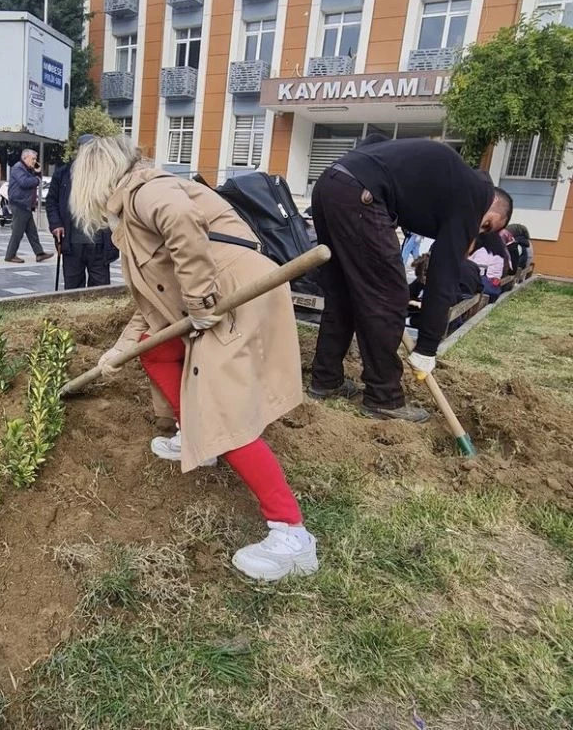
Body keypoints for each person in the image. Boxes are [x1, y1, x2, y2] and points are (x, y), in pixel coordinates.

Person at [70, 135, 318, 582]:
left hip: (236, 295)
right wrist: (119, 350)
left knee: (225, 409)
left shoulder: (145, 190)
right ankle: (194, 439)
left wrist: (202, 300)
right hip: (224, 292)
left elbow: (180, 218)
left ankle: (291, 537)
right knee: (160, 349)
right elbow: (150, 310)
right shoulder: (133, 210)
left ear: (94, 180)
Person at [308, 138, 513, 422]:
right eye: (487, 224)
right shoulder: (475, 196)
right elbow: (444, 274)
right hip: (360, 193)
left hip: (330, 185)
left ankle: (325, 380)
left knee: (343, 292)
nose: (478, 231)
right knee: (390, 296)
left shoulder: (448, 181)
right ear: (492, 203)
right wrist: (428, 347)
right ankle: (383, 397)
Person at [46, 134, 118, 289]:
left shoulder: (106, 174)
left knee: (100, 290)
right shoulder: (63, 173)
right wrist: (56, 224)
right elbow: (51, 202)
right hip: (72, 243)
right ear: (79, 151)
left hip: (100, 244)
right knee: (72, 289)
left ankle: (98, 314)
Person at [4, 149, 53, 264]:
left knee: (32, 232)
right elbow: (24, 182)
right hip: (19, 204)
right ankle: (10, 255)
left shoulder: (27, 169)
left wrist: (37, 172)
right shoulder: (18, 168)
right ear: (25, 158)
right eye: (33, 159)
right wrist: (37, 179)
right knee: (17, 232)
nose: (35, 161)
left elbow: (34, 179)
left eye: (35, 159)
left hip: (25, 205)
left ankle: (39, 253)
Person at [469, 231, 510, 303]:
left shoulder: (483, 252)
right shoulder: (499, 253)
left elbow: (473, 270)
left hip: (483, 288)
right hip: (493, 286)